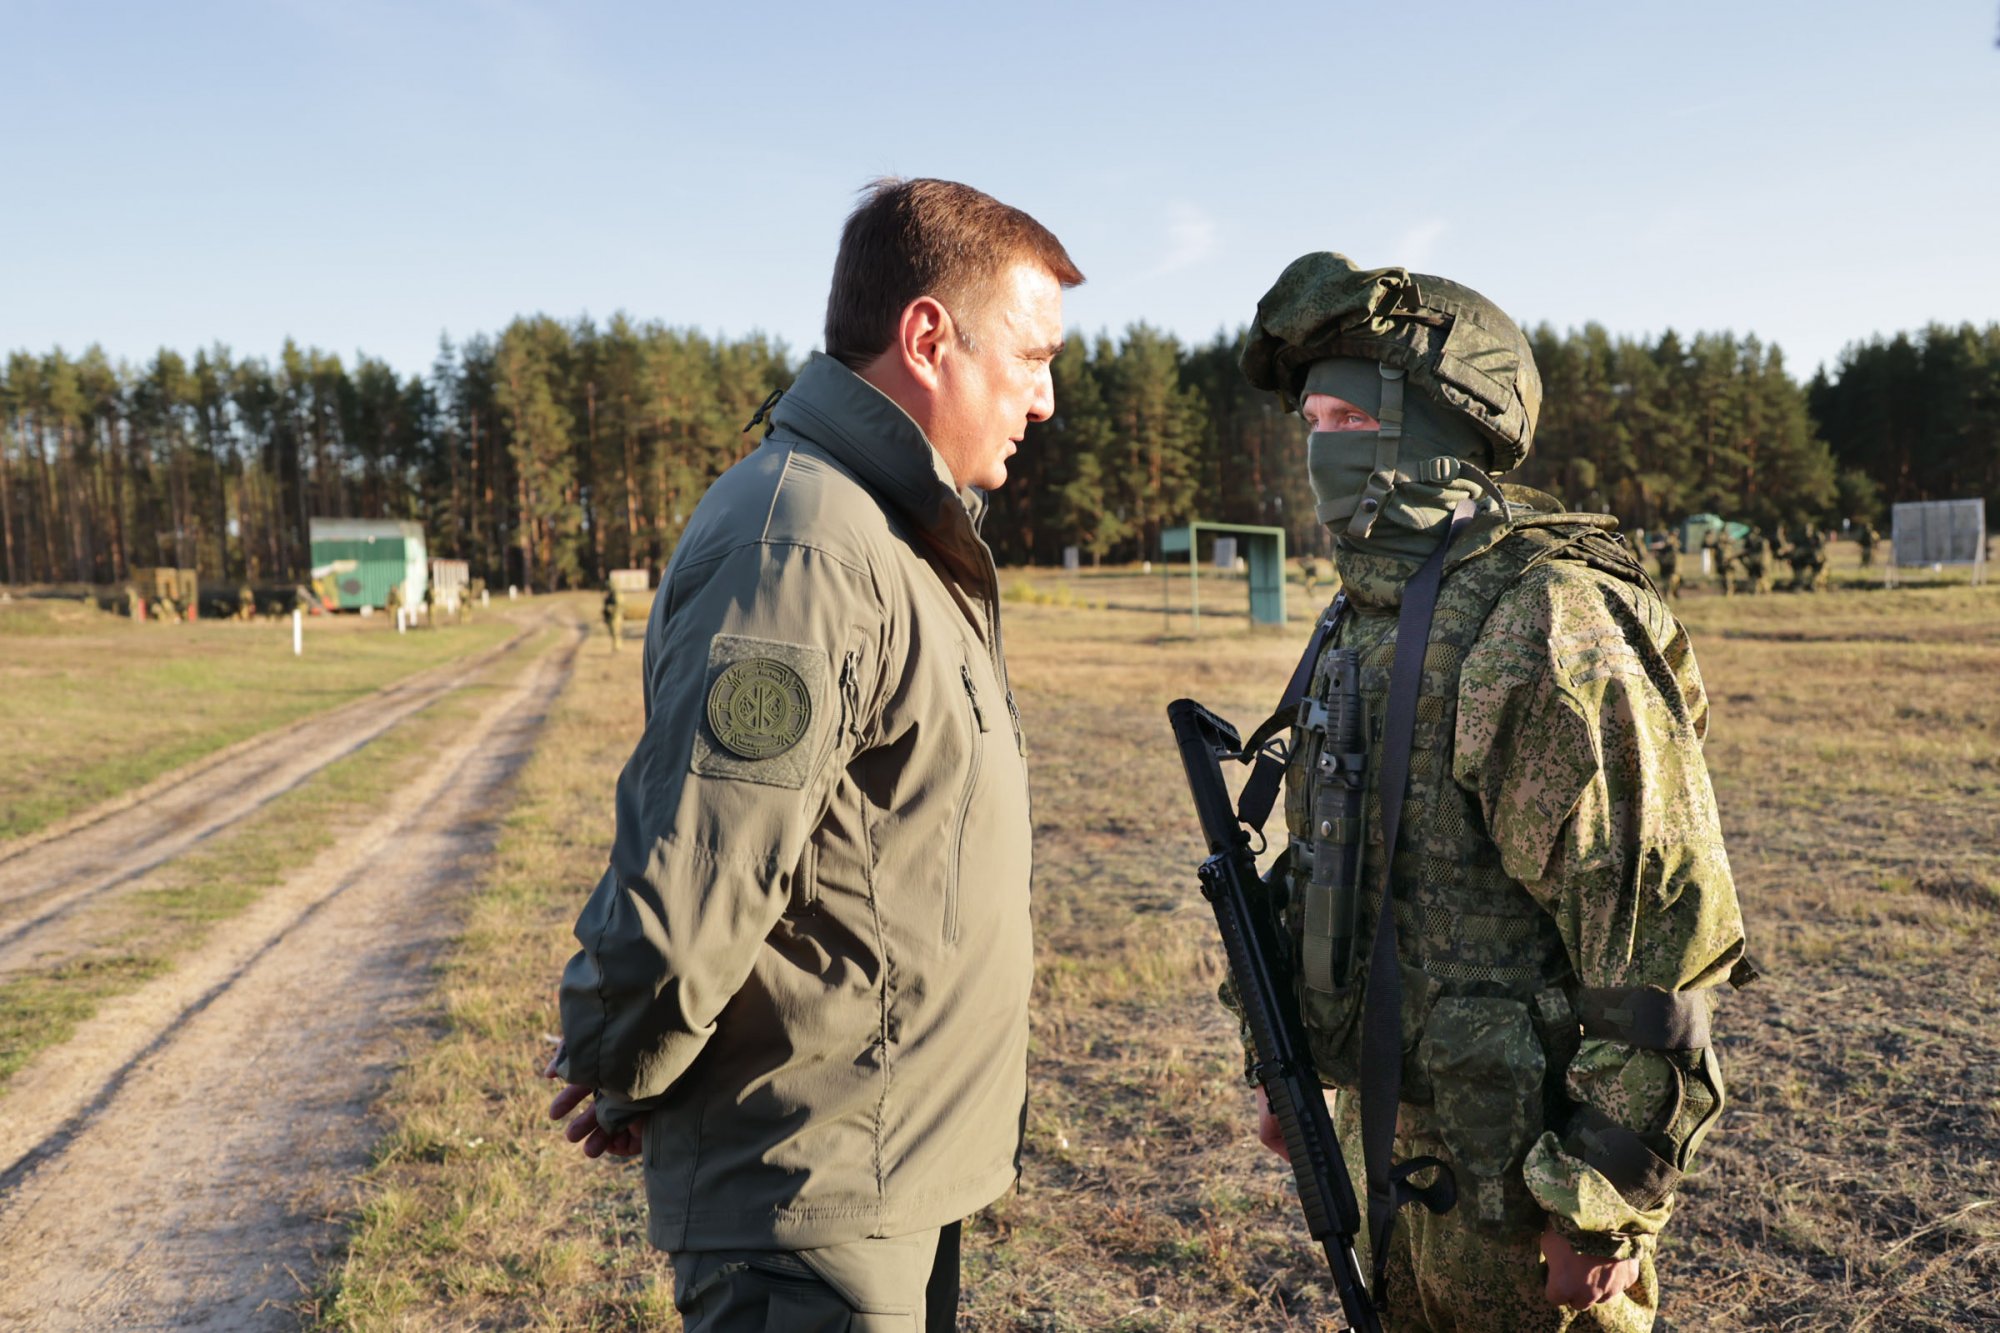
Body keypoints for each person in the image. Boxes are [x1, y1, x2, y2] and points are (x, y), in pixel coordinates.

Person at [546, 178, 1082, 1333]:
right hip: (812, 1193)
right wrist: (624, 1051)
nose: (1044, 401)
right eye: (1032, 358)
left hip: (884, 1162)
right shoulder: (803, 547)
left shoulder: (894, 534)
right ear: (929, 337)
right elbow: (704, 853)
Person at [1232, 252, 1750, 1332]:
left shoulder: (1537, 619)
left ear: (1425, 427)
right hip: (1399, 1160)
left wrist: (1597, 1204)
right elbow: (1338, 870)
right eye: (1309, 419)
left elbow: (1657, 939)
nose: (1317, 447)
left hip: (1528, 1197)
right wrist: (1290, 1052)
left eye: (1343, 416)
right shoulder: (1361, 620)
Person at [1652, 530, 1681, 599]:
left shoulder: (1673, 546)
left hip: (1671, 566)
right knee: (1666, 582)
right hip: (1665, 566)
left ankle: (1673, 593)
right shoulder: (1666, 546)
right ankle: (1668, 594)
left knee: (1673, 580)